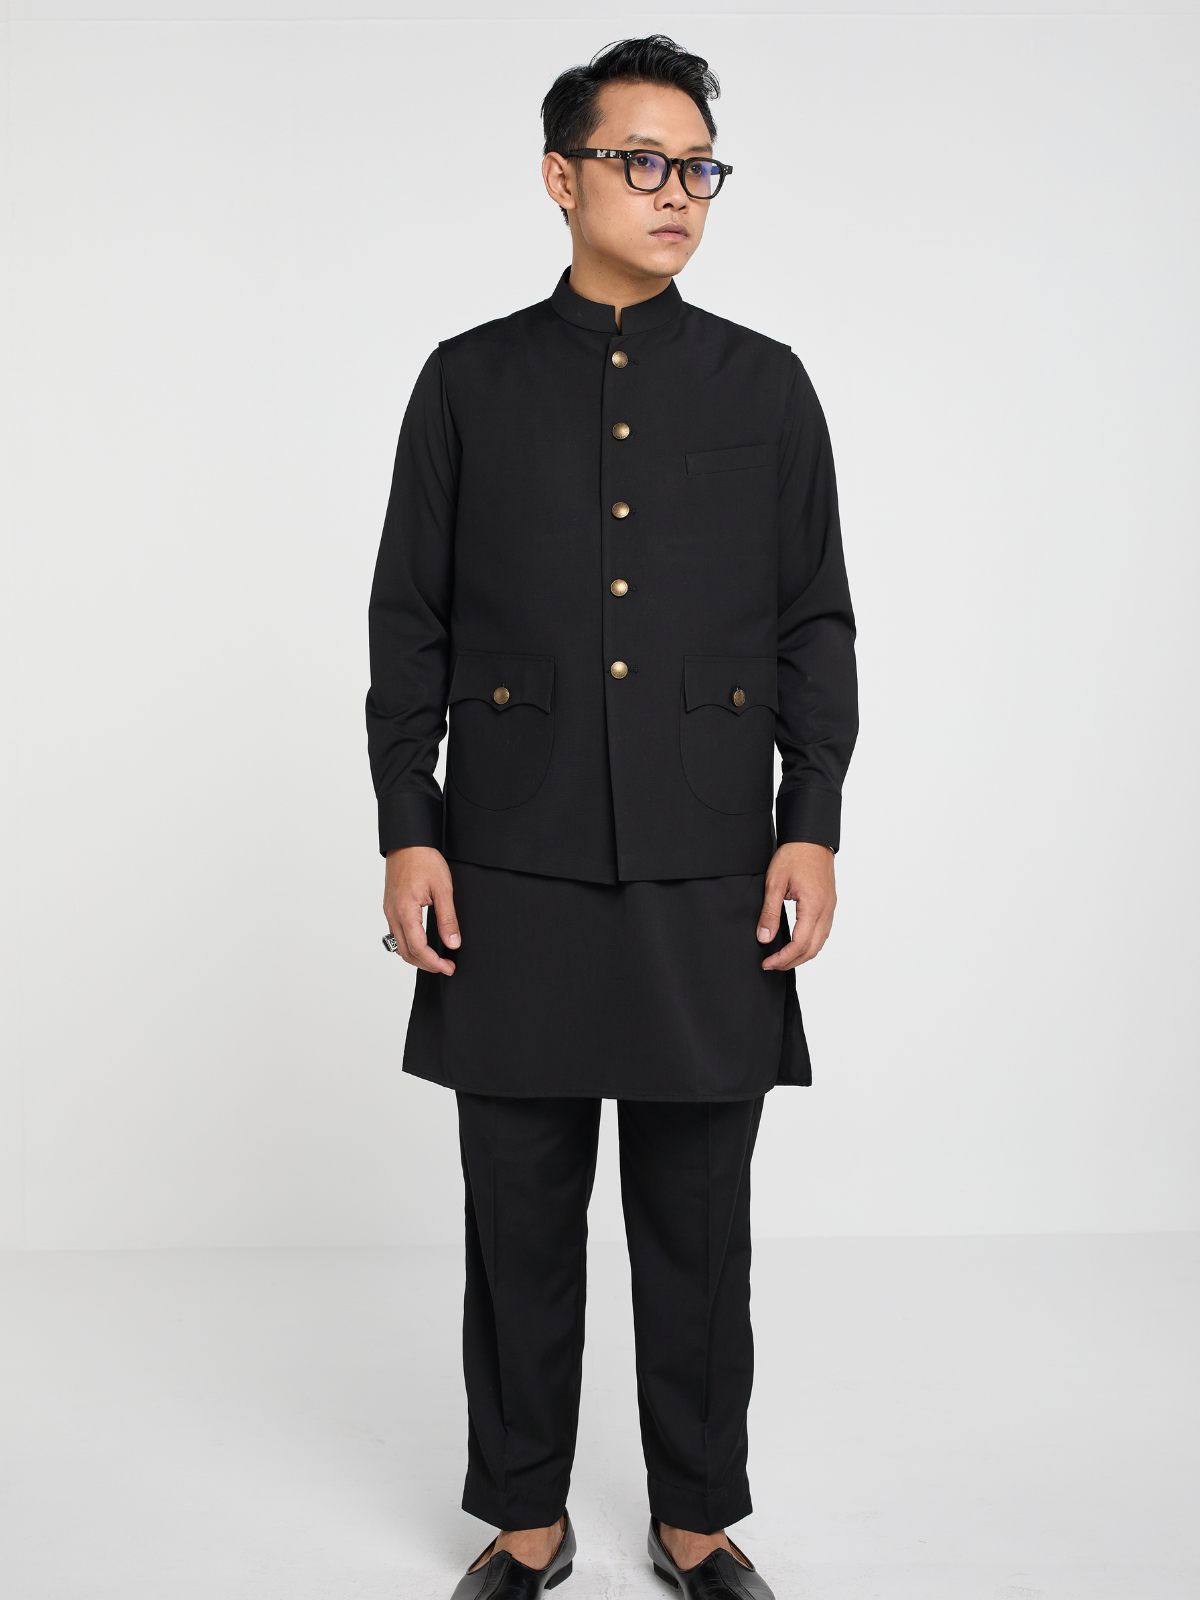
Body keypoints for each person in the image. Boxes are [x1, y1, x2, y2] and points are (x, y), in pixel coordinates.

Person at [365, 34, 858, 1600]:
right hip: (508, 861)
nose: (677, 191)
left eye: (698, 164)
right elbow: (409, 626)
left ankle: (697, 1516)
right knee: (517, 1211)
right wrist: (409, 824)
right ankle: (525, 1519)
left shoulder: (766, 386)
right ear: (560, 177)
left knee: (701, 1219)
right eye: (642, 160)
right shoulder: (467, 382)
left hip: (712, 862)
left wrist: (810, 816)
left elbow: (813, 624)